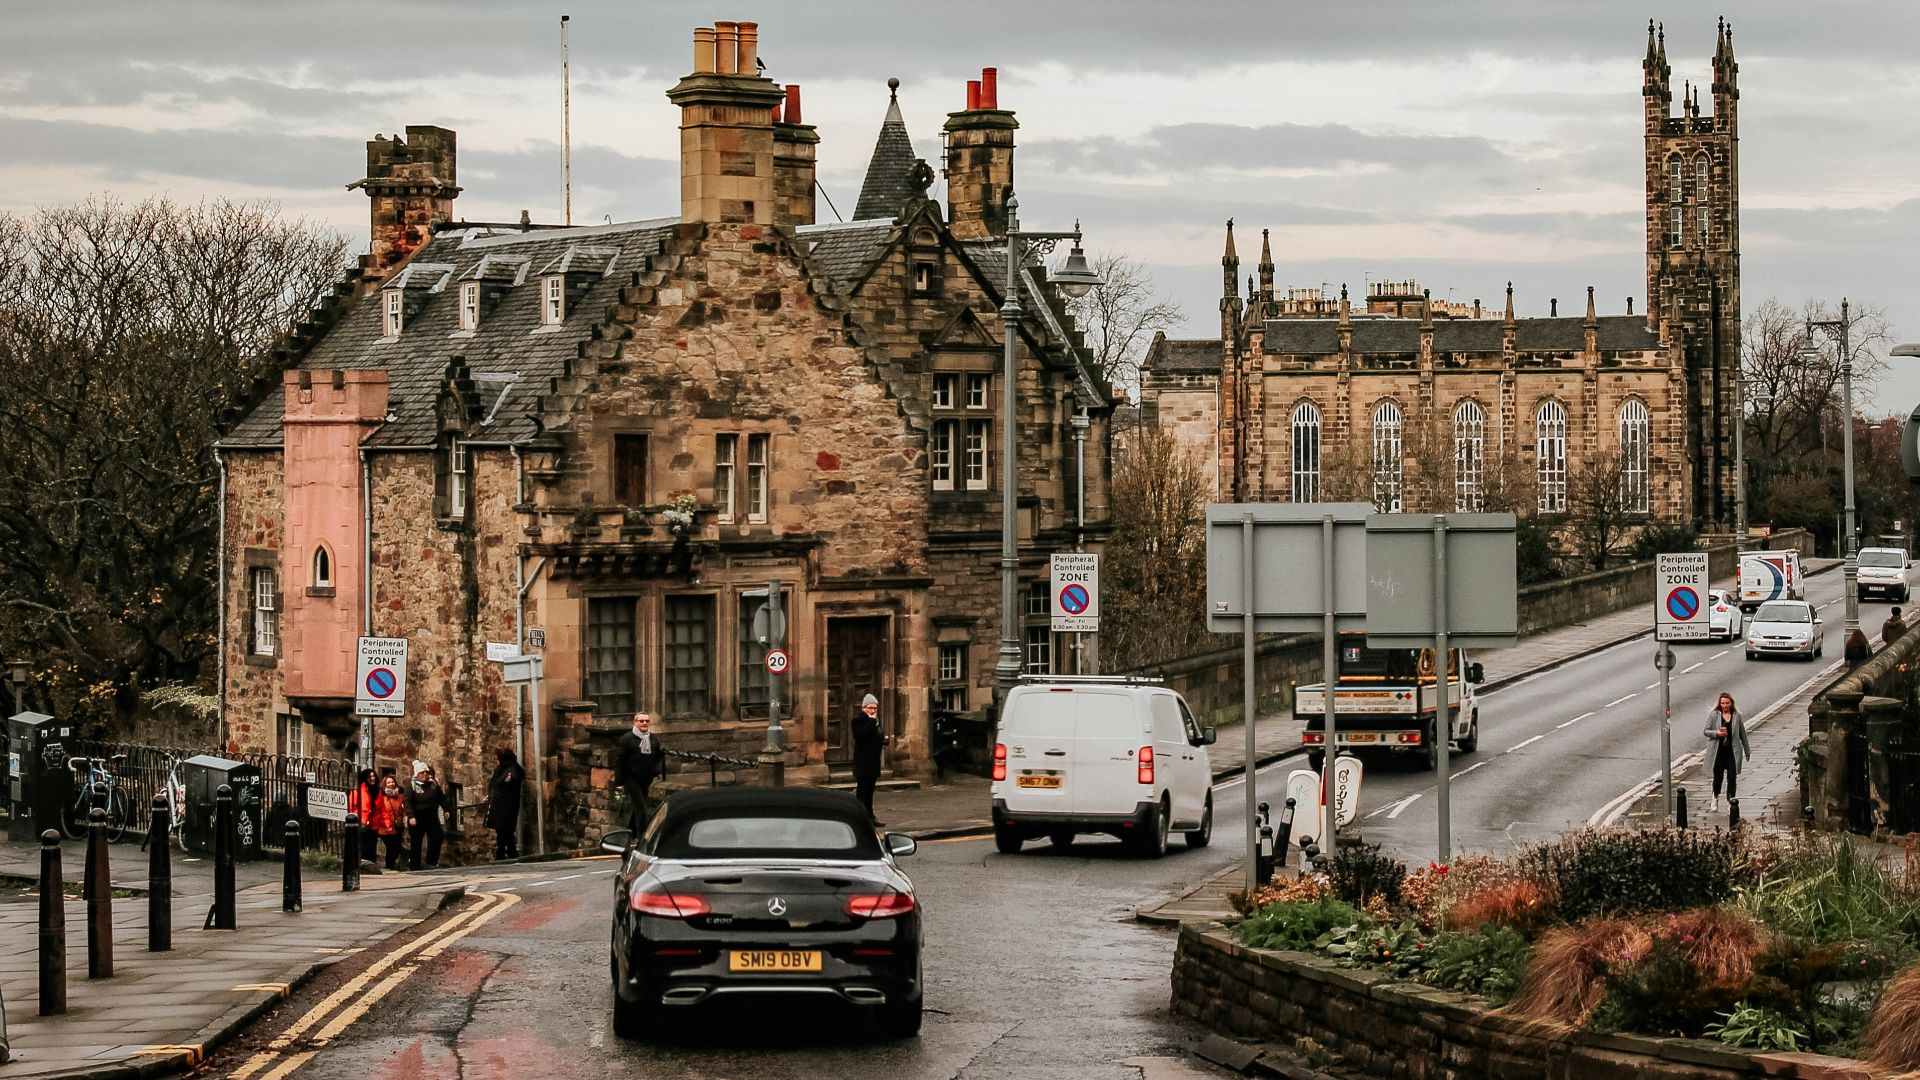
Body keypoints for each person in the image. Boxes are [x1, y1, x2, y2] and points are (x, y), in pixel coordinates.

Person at [614, 712, 668, 831]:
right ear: (635, 722)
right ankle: (642, 838)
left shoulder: (653, 739)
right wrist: (619, 783)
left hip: (646, 779)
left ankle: (631, 831)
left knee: (638, 807)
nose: (644, 723)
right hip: (631, 779)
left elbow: (657, 757)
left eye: (647, 721)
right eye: (641, 721)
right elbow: (619, 762)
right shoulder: (627, 739)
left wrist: (656, 771)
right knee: (642, 808)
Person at [1702, 692, 1751, 814]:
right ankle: (1715, 795)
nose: (1725, 705)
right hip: (1718, 751)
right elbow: (1706, 731)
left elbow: (1742, 734)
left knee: (1732, 777)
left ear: (1731, 703)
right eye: (1722, 703)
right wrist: (1717, 733)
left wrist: (1747, 750)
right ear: (1720, 704)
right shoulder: (1714, 715)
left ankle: (1731, 801)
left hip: (1732, 751)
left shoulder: (1736, 716)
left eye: (1727, 703)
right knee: (1718, 777)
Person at [851, 693, 890, 826]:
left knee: (870, 792)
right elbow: (860, 735)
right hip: (863, 762)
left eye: (875, 708)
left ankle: (870, 817)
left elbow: (877, 736)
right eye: (870, 708)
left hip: (873, 762)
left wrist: (884, 741)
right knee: (862, 792)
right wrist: (872, 722)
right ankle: (859, 817)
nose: (873, 711)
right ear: (864, 708)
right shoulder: (858, 721)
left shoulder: (876, 721)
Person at [406, 761, 449, 870]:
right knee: (416, 842)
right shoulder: (412, 786)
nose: (425, 775)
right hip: (417, 817)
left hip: (431, 817)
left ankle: (431, 862)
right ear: (417, 774)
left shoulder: (433, 784)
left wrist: (446, 809)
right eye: (422, 773)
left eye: (426, 772)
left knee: (437, 837)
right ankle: (415, 865)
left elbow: (441, 797)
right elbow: (407, 802)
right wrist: (411, 816)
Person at [485, 748, 525, 860]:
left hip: (507, 806)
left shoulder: (512, 768)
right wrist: (490, 795)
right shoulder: (500, 769)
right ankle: (507, 852)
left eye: (498, 759)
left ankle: (504, 853)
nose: (497, 761)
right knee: (502, 830)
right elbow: (496, 785)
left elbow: (514, 776)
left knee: (505, 830)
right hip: (499, 804)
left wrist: (510, 778)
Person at [371, 774, 407, 870]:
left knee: (397, 847)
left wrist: (403, 818)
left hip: (397, 825)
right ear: (385, 784)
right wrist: (386, 823)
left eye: (392, 782)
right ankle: (389, 866)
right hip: (385, 826)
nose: (391, 784)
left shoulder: (399, 795)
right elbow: (380, 810)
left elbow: (403, 808)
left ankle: (391, 865)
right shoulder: (381, 795)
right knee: (390, 847)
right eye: (388, 782)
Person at [347, 768, 380, 864]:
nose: (372, 778)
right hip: (362, 823)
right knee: (362, 846)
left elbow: (380, 807)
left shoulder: (378, 791)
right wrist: (359, 818)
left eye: (374, 776)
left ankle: (372, 866)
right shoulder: (358, 791)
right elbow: (351, 807)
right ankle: (361, 865)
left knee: (372, 847)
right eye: (370, 776)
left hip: (374, 823)